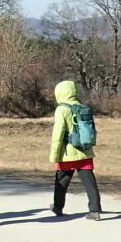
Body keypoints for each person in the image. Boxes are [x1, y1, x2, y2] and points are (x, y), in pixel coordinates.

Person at [49, 80, 102, 220]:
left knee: (61, 180)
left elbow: (58, 134)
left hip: (68, 153)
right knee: (89, 182)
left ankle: (58, 207)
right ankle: (95, 210)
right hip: (85, 150)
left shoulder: (62, 109)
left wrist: (54, 155)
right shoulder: (82, 107)